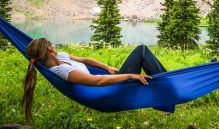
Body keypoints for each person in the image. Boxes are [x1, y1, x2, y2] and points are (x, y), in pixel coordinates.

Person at [22, 38, 167, 121]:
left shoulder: (62, 56)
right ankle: (169, 88)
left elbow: (85, 60)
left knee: (142, 50)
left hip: (108, 80)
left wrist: (107, 67)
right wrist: (130, 75)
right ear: (49, 49)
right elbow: (97, 82)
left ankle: (167, 93)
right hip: (108, 92)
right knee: (141, 51)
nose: (52, 44)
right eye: (50, 42)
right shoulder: (62, 71)